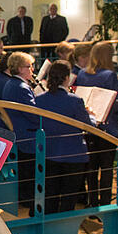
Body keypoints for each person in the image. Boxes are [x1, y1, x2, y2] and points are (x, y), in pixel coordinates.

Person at [34, 61, 93, 214]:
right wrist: (91, 116)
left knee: (50, 195)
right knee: (69, 197)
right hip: (73, 155)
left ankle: (49, 229)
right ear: (67, 78)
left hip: (49, 153)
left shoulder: (39, 100)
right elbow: (87, 125)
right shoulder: (75, 100)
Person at [75, 41, 118, 207]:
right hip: (108, 127)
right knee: (107, 169)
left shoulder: (81, 74)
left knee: (92, 168)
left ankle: (92, 202)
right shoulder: (109, 75)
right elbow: (117, 104)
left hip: (89, 126)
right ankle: (105, 204)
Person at [1, 52, 38, 212]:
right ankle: (28, 199)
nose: (32, 69)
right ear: (19, 69)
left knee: (25, 170)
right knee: (29, 171)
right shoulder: (21, 88)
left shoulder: (11, 83)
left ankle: (25, 197)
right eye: (28, 66)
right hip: (27, 134)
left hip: (19, 131)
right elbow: (34, 115)